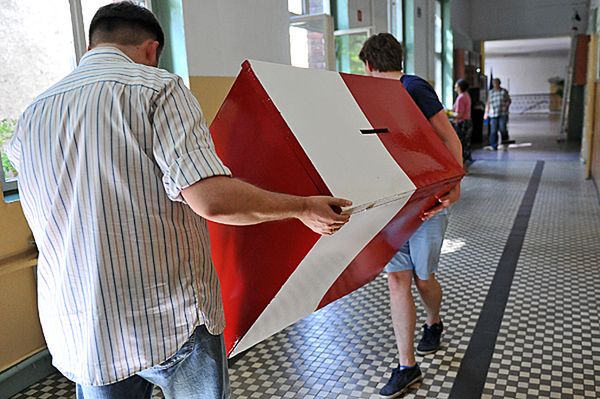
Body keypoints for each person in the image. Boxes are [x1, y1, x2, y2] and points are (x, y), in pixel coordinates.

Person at [6, 3, 351, 398]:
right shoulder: (158, 89)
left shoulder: (33, 114)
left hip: (82, 328)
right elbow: (211, 199)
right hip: (166, 320)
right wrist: (303, 207)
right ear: (152, 50)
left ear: (91, 45)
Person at [359, 33, 462, 398]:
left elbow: (449, 137)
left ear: (369, 64)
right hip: (392, 205)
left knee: (423, 279)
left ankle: (433, 321)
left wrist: (456, 182)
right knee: (396, 280)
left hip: (426, 203)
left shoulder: (414, 87)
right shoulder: (366, 97)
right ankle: (407, 366)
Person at [484, 78, 512, 150]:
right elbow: (488, 102)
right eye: (494, 83)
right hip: (493, 114)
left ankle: (505, 142)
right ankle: (494, 145)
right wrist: (486, 113)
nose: (495, 84)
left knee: (503, 129)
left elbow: (509, 100)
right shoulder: (490, 92)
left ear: (499, 84)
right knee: (493, 130)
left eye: (497, 83)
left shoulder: (503, 91)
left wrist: (506, 106)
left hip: (502, 113)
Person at [452, 79, 473, 171]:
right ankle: (465, 165)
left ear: (460, 87)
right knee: (465, 144)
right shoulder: (466, 95)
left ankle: (463, 167)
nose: (455, 87)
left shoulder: (461, 98)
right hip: (467, 122)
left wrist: (448, 114)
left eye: (456, 86)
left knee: (460, 144)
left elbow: (459, 114)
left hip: (462, 123)